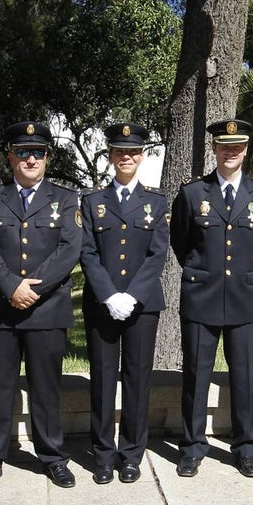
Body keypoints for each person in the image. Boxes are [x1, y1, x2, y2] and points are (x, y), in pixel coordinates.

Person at [0, 121, 82, 490]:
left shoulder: (66, 199)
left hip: (46, 307)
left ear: (47, 158)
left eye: (38, 152)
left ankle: (53, 457)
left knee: (46, 388)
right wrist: (10, 285)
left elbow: (70, 249)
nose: (30, 158)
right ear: (10, 157)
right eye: (23, 152)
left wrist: (33, 288)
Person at [170, 118, 253, 478]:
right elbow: (180, 242)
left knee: (246, 378)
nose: (231, 152)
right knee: (196, 376)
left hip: (245, 298)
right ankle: (192, 447)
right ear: (214, 149)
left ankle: (246, 448)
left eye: (238, 146)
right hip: (202, 296)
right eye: (224, 146)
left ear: (246, 150)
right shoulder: (192, 193)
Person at [79, 122, 169, 484]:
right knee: (101, 379)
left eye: (132, 152)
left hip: (142, 305)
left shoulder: (156, 201)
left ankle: (131, 454)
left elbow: (157, 253)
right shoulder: (92, 201)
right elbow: (86, 252)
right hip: (102, 304)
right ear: (111, 157)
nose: (126, 157)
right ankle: (102, 454)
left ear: (142, 156)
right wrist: (109, 295)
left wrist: (131, 295)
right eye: (119, 152)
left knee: (137, 378)